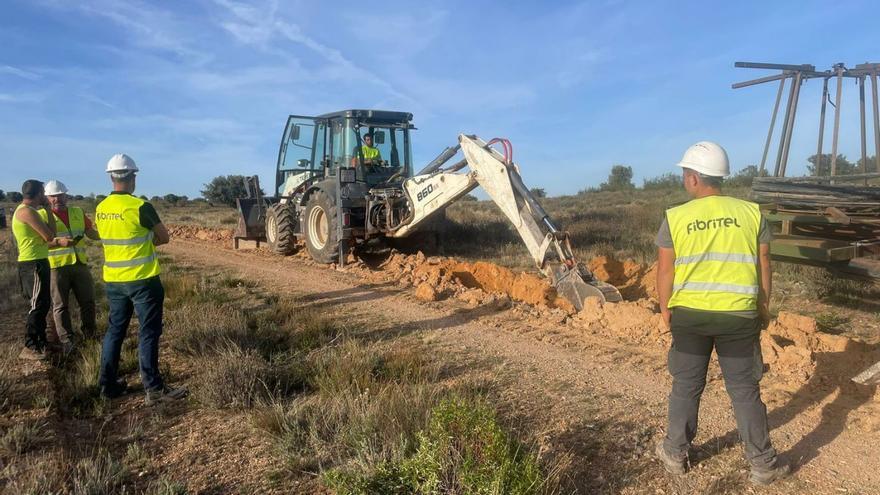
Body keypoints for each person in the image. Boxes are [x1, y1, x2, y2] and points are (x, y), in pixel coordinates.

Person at [654, 141, 789, 485]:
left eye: (686, 173)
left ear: (695, 178)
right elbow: (764, 264)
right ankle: (762, 465)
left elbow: (665, 271)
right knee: (744, 390)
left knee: (686, 385)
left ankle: (675, 453)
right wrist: (762, 305)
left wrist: (664, 308)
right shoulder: (751, 213)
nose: (685, 179)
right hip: (739, 317)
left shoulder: (676, 217)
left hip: (690, 317)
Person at [95, 154, 187, 405]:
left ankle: (107, 385)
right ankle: (153, 388)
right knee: (148, 332)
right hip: (143, 281)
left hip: (114, 281)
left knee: (115, 331)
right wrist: (150, 241)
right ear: (132, 177)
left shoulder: (101, 208)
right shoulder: (140, 207)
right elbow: (164, 237)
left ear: (111, 177)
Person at [12, 180, 73, 360]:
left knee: (43, 303)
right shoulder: (26, 212)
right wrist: (45, 211)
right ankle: (30, 346)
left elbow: (51, 233)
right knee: (37, 305)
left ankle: (40, 343)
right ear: (39, 193)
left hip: (38, 261)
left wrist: (47, 210)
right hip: (32, 263)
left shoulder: (32, 211)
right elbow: (49, 236)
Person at [43, 179, 99, 354]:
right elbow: (38, 243)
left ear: (66, 195)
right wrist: (59, 242)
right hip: (56, 267)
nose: (57, 199)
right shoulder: (42, 216)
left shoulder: (77, 212)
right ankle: (68, 341)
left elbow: (91, 233)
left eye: (61, 195)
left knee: (88, 302)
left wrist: (112, 233)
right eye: (53, 196)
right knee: (60, 306)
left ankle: (90, 335)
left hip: (79, 264)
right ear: (47, 197)